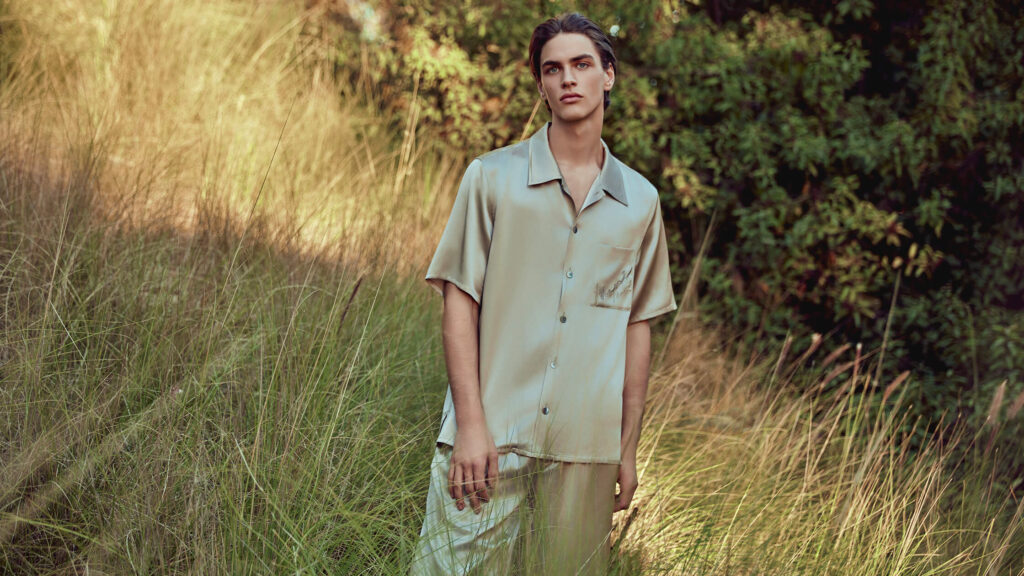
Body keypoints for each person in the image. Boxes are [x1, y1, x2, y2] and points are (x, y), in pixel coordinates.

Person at [410, 12, 677, 575]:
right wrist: (471, 427)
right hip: (489, 443)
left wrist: (625, 451)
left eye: (582, 65)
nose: (568, 79)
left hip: (586, 455)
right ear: (541, 85)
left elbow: (637, 327)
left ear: (609, 75)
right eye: (552, 69)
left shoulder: (642, 203)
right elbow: (459, 302)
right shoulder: (492, 177)